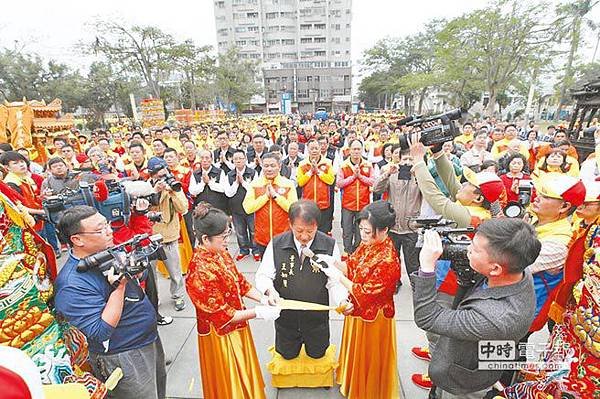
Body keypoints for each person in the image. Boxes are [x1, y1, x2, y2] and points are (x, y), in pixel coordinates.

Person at [414, 218, 540, 398]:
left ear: (495, 269)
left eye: (474, 250)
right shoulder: (518, 270)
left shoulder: (497, 317)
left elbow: (427, 317)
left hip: (462, 383)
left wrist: (427, 267)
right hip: (477, 359)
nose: (467, 250)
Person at [53, 205, 166, 399]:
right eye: (100, 230)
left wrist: (137, 272)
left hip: (148, 339)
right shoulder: (71, 284)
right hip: (123, 354)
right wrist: (119, 288)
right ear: (77, 239)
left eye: (107, 225)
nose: (109, 231)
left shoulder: (106, 251)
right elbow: (100, 332)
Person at [186, 202, 279, 399]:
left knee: (243, 371)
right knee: (229, 381)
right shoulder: (199, 272)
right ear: (205, 238)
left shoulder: (221, 253)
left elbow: (241, 283)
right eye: (223, 237)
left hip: (238, 324)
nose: (228, 240)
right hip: (220, 335)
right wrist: (260, 312)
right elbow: (224, 316)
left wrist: (263, 297)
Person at [255, 200, 348, 387]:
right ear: (290, 224)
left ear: (317, 226)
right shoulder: (277, 243)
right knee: (287, 354)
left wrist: (342, 300)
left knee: (317, 353)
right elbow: (263, 275)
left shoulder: (328, 245)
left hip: (316, 318)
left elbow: (335, 281)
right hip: (286, 318)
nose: (304, 236)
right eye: (299, 231)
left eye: (310, 231)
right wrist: (270, 291)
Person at [322, 201, 401, 398]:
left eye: (368, 231)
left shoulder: (388, 259)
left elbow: (364, 293)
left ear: (385, 230)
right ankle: (353, 383)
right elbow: (352, 265)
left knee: (369, 357)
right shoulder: (369, 244)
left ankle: (368, 391)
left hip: (374, 318)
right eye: (362, 230)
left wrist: (337, 276)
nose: (363, 236)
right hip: (358, 310)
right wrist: (331, 261)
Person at [147, 157, 189, 311]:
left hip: (169, 236)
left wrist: (172, 193)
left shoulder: (173, 186)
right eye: (159, 176)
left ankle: (178, 295)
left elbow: (183, 209)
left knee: (175, 272)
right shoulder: (145, 187)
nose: (163, 179)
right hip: (150, 238)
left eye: (165, 174)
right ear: (152, 176)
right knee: (150, 275)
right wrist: (154, 191)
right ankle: (154, 299)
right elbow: (141, 209)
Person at [373, 145, 422, 278]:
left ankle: (415, 284)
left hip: (411, 227)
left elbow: (429, 194)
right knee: (392, 259)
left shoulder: (419, 176)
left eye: (410, 159)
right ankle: (395, 282)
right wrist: (387, 174)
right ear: (399, 160)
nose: (407, 162)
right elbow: (376, 189)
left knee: (412, 262)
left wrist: (418, 176)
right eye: (405, 159)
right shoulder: (392, 175)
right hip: (393, 226)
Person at [243, 152, 298, 258]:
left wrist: (276, 197)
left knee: (284, 270)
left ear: (279, 166)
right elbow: (248, 208)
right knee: (266, 271)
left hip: (284, 236)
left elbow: (293, 209)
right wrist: (266, 197)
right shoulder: (255, 184)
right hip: (262, 237)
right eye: (266, 166)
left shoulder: (288, 184)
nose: (269, 169)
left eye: (273, 166)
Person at [337, 139, 375, 258]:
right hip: (347, 204)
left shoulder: (368, 165)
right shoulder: (344, 166)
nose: (356, 151)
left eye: (359, 149)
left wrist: (360, 176)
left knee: (361, 231)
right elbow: (339, 183)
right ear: (349, 150)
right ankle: (347, 252)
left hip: (363, 204)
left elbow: (372, 181)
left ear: (362, 150)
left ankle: (358, 252)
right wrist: (353, 177)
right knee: (347, 231)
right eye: (354, 149)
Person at [224, 149, 259, 261]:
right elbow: (228, 193)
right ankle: (243, 250)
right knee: (240, 232)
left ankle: (256, 250)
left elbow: (255, 190)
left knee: (253, 231)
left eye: (240, 158)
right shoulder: (229, 175)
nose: (238, 161)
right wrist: (236, 183)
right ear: (232, 161)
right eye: (235, 159)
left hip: (251, 207)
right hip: (236, 208)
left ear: (245, 159)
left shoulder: (253, 172)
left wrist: (243, 182)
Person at [296, 140, 336, 233]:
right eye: (312, 148)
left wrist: (318, 171)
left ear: (320, 149)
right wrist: (310, 172)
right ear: (308, 150)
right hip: (307, 203)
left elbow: (331, 180)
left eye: (316, 148)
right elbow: (300, 182)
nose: (314, 151)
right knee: (308, 229)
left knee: (322, 230)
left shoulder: (328, 163)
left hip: (323, 203)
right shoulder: (302, 164)